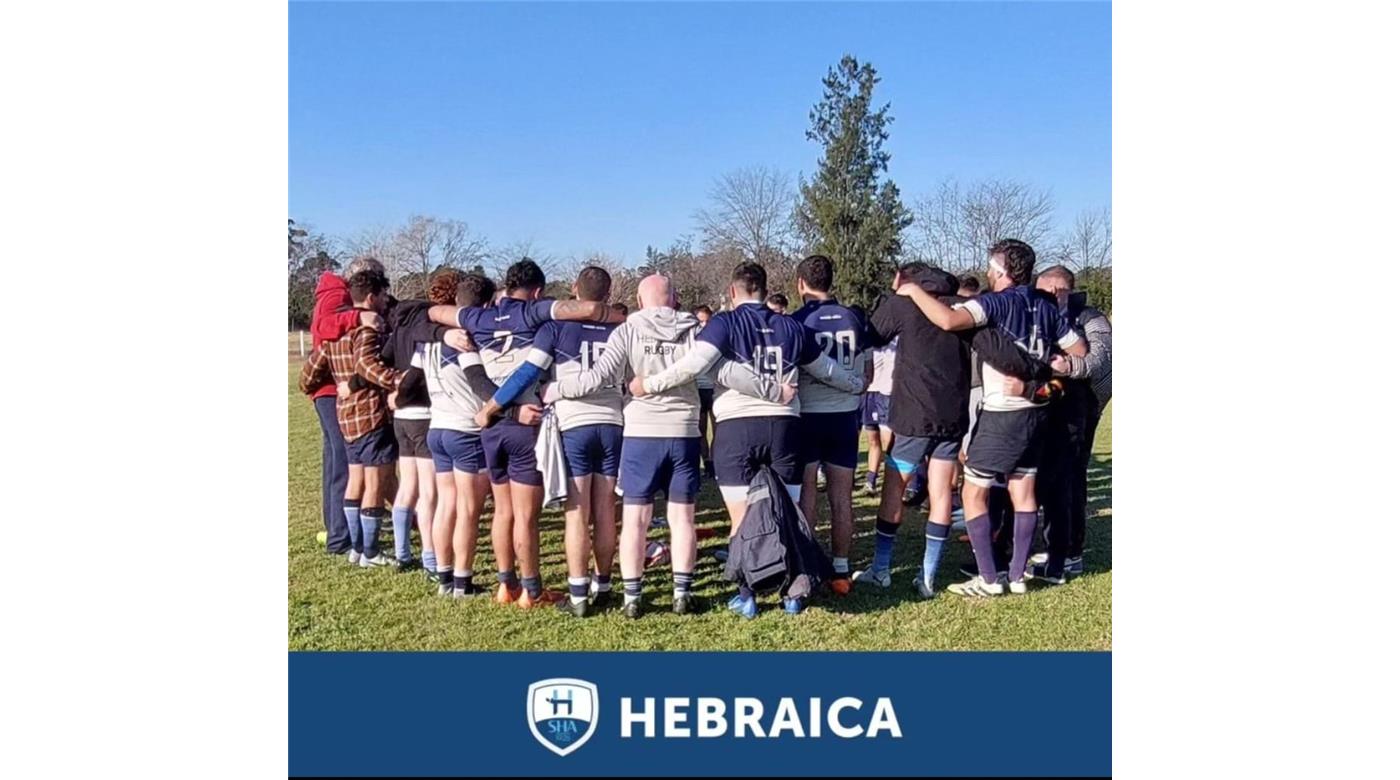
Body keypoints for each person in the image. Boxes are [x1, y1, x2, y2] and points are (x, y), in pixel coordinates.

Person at [633, 262, 863, 617]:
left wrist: (649, 384)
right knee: (787, 512)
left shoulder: (724, 323)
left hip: (737, 427)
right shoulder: (790, 325)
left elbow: (694, 365)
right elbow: (826, 369)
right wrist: (854, 385)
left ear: (732, 292)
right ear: (764, 289)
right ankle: (792, 594)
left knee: (742, 519)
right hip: (785, 426)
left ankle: (748, 595)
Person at [547, 274, 782, 618]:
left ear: (641, 302)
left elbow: (600, 376)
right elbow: (721, 370)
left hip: (641, 432)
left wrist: (558, 389)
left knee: (635, 519)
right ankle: (682, 593)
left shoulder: (627, 329)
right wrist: (770, 389)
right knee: (681, 518)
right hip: (685, 430)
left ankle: (632, 597)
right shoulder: (694, 329)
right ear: (674, 299)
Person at [894, 239, 1087, 596]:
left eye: (991, 267)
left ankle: (988, 578)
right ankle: (1016, 576)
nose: (987, 272)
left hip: (1002, 414)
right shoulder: (1045, 308)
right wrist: (1057, 366)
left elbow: (950, 320)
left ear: (1001, 271)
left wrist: (914, 292)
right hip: (1036, 414)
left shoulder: (996, 303)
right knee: (1023, 491)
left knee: (973, 493)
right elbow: (1079, 349)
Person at [428, 259, 623, 608]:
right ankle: (532, 592)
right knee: (526, 517)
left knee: (502, 511)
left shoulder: (478, 318)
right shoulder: (536, 312)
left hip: (491, 428)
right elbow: (587, 310)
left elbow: (437, 313)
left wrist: (443, 328)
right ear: (536, 291)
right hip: (524, 423)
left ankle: (506, 585)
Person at [298, 269, 404, 567]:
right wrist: (397, 381)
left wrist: (314, 388)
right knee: (375, 480)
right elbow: (367, 366)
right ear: (371, 296)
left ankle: (355, 545)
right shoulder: (363, 327)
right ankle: (369, 550)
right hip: (369, 412)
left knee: (353, 477)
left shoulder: (332, 339)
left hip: (346, 416)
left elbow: (308, 373)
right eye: (383, 295)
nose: (386, 300)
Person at [1028, 265, 1112, 584]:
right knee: (1047, 478)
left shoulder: (1090, 318)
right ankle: (1054, 548)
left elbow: (1100, 359)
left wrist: (1070, 365)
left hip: (1078, 407)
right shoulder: (1039, 313)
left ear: (1060, 289)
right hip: (1045, 407)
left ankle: (1068, 555)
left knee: (1068, 480)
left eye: (1047, 291)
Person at [790, 255, 869, 592]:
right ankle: (841, 567)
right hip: (844, 417)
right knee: (841, 496)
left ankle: (808, 564)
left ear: (800, 284)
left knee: (808, 492)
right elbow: (868, 372)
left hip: (808, 414)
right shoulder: (853, 317)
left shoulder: (798, 321)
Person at [861, 337, 896, 495]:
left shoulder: (894, 342)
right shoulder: (865, 343)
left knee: (888, 442)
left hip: (885, 394)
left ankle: (893, 481)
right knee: (872, 440)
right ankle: (871, 479)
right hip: (868, 394)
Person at [691, 304, 717, 479]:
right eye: (700, 321)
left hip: (714, 388)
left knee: (718, 429)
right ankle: (706, 461)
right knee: (700, 429)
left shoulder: (717, 337)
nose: (704, 325)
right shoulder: (691, 340)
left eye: (707, 321)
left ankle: (715, 462)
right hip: (698, 388)